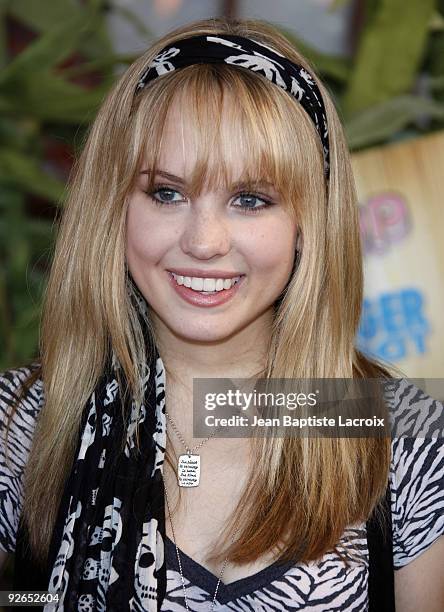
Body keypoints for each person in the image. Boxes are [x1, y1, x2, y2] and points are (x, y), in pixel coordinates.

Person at [1, 15, 444, 612]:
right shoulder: (21, 425)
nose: (205, 241)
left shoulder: (403, 433)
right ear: (113, 207)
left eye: (250, 199)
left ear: (306, 225)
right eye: (167, 193)